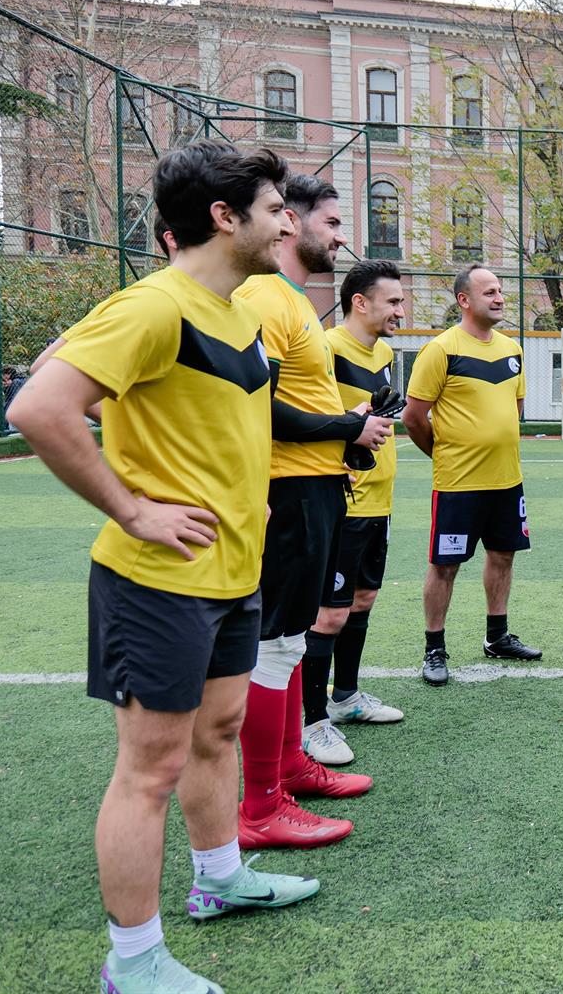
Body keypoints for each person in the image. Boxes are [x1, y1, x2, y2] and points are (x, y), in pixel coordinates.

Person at [7, 139, 321, 994]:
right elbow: (40, 405)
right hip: (158, 580)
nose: (286, 220)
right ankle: (133, 964)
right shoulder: (156, 306)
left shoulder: (242, 308)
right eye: (271, 207)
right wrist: (133, 508)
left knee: (217, 734)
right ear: (225, 218)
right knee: (148, 772)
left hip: (232, 573)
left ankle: (219, 880)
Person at [234, 174, 391, 848]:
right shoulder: (263, 296)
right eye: (331, 223)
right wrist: (343, 430)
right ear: (292, 223)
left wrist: (342, 425)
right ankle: (261, 805)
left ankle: (291, 765)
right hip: (289, 491)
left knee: (292, 637)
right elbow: (255, 404)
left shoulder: (295, 300)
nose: (339, 236)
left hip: (317, 486)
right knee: (274, 642)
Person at [404, 264, 540, 685]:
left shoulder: (512, 350)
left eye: (500, 291)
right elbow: (413, 417)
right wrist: (442, 453)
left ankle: (496, 636)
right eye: (489, 292)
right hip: (458, 485)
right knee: (445, 566)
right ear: (464, 300)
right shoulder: (440, 350)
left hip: (506, 481)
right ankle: (434, 648)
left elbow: (513, 414)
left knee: (503, 555)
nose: (499, 298)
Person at [299, 260, 409, 765]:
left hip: (378, 498)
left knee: (363, 600)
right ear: (359, 302)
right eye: (392, 301)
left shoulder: (384, 351)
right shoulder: (324, 348)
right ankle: (311, 722)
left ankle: (345, 699)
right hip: (340, 502)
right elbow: (311, 417)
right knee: (328, 614)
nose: (400, 310)